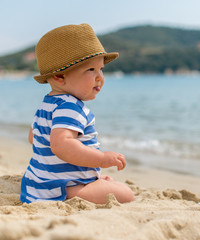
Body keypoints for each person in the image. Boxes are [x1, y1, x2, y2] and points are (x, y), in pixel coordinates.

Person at [20, 23, 134, 204]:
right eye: (91, 70)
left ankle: (88, 181)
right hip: (62, 187)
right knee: (126, 194)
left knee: (111, 187)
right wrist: (102, 159)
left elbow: (33, 137)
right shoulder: (71, 107)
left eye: (101, 69)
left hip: (40, 182)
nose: (100, 77)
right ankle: (78, 191)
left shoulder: (48, 104)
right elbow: (61, 145)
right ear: (60, 77)